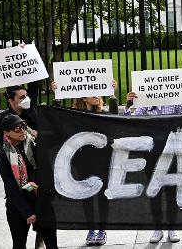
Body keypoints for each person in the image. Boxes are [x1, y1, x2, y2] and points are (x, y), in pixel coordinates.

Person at [51, 82, 118, 246]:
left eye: (98, 92)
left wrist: (113, 94)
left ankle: (102, 229)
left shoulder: (104, 114)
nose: (96, 95)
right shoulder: (76, 116)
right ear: (82, 96)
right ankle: (91, 229)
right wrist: (57, 95)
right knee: (86, 197)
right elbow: (58, 117)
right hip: (83, 163)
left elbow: (116, 120)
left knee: (103, 197)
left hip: (103, 162)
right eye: (92, 92)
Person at [123, 92, 182, 243]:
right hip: (152, 154)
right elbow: (132, 119)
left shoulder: (175, 101)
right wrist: (129, 104)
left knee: (170, 191)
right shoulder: (145, 104)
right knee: (154, 191)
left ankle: (172, 227)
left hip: (171, 153)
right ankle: (157, 228)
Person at [0, 114, 58, 249]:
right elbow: (11, 189)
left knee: (52, 244)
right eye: (17, 129)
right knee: (19, 245)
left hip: (40, 199)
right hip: (19, 205)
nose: (22, 131)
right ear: (6, 133)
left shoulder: (33, 145)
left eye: (23, 126)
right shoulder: (3, 156)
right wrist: (27, 212)